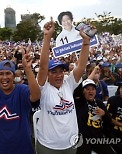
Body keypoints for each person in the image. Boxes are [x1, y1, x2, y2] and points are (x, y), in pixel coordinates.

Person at [36, 17, 91, 154]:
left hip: (70, 144)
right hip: (48, 146)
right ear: (48, 74)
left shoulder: (68, 84)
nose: (59, 75)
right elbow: (43, 67)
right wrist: (47, 37)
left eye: (61, 71)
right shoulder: (43, 88)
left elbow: (81, 66)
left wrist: (86, 42)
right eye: (54, 72)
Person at [75, 79, 115, 154]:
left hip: (98, 137)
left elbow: (109, 120)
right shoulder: (79, 102)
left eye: (93, 89)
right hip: (83, 138)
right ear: (83, 91)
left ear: (96, 91)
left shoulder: (99, 103)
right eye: (87, 89)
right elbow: (76, 91)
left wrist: (104, 114)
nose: (91, 91)